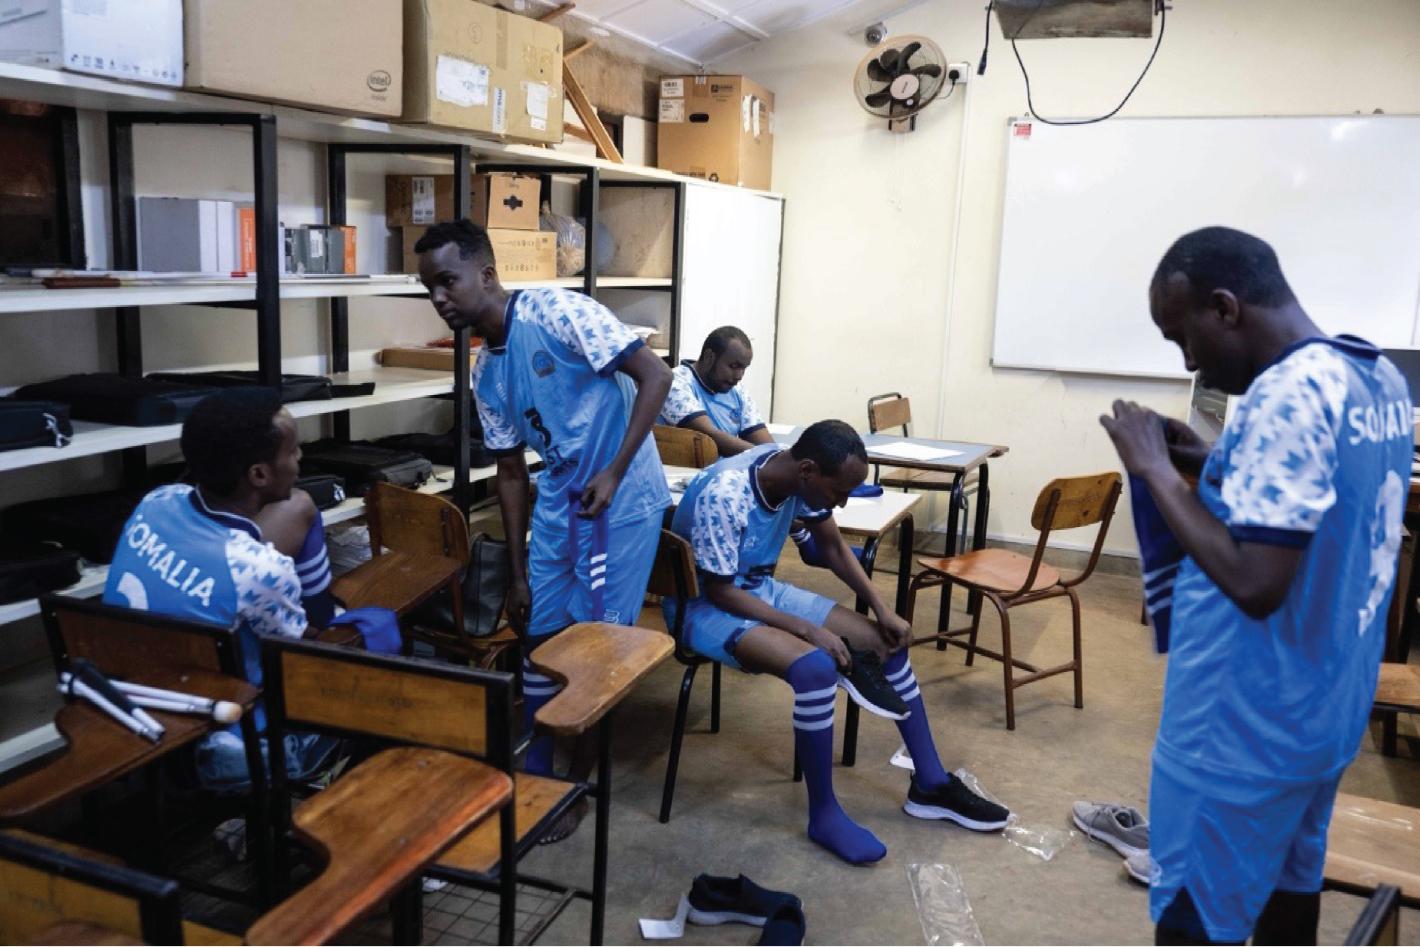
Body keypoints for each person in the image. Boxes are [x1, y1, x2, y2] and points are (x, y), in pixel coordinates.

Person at [1100, 226, 1411, 945]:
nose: (1188, 361)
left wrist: (1151, 467)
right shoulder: (1375, 377)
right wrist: (1211, 458)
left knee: (1194, 922)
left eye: (1184, 336)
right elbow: (1316, 504)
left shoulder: (1287, 395)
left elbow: (1255, 578)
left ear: (1226, 307)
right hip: (1321, 712)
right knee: (1286, 894)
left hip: (1241, 728)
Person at [666, 420, 1010, 865]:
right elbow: (720, 592)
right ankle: (823, 815)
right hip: (703, 606)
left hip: (758, 591)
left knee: (886, 644)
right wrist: (806, 629)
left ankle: (930, 784)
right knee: (815, 667)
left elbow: (828, 547)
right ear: (808, 470)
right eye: (839, 492)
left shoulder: (794, 475)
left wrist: (881, 607)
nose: (844, 502)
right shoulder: (727, 491)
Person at [415, 220, 672, 799]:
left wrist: (613, 470)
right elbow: (509, 473)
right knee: (539, 631)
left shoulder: (558, 314)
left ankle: (574, 782)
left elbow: (655, 375)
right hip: (561, 500)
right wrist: (518, 572)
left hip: (620, 500)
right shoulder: (485, 373)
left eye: (448, 282)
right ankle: (541, 747)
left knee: (596, 644)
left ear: (486, 274)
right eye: (428, 287)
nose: (438, 299)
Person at [104, 388, 336, 792]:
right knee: (387, 696)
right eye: (294, 450)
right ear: (259, 475)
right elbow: (302, 659)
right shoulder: (260, 569)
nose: (300, 460)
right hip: (227, 749)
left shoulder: (156, 502)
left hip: (130, 722)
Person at [660, 325, 773, 457]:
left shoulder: (737, 391)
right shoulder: (675, 383)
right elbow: (710, 437)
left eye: (744, 368)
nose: (739, 376)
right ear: (709, 357)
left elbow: (765, 443)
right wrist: (769, 457)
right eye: (734, 366)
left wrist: (779, 457)